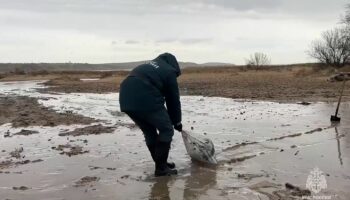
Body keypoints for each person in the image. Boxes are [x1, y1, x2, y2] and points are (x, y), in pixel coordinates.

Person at [119, 53, 182, 177]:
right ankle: (161, 168)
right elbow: (173, 99)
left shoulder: (148, 66)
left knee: (149, 132)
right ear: (174, 65)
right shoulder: (169, 71)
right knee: (166, 129)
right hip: (145, 95)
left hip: (125, 99)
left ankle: (161, 164)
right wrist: (177, 122)